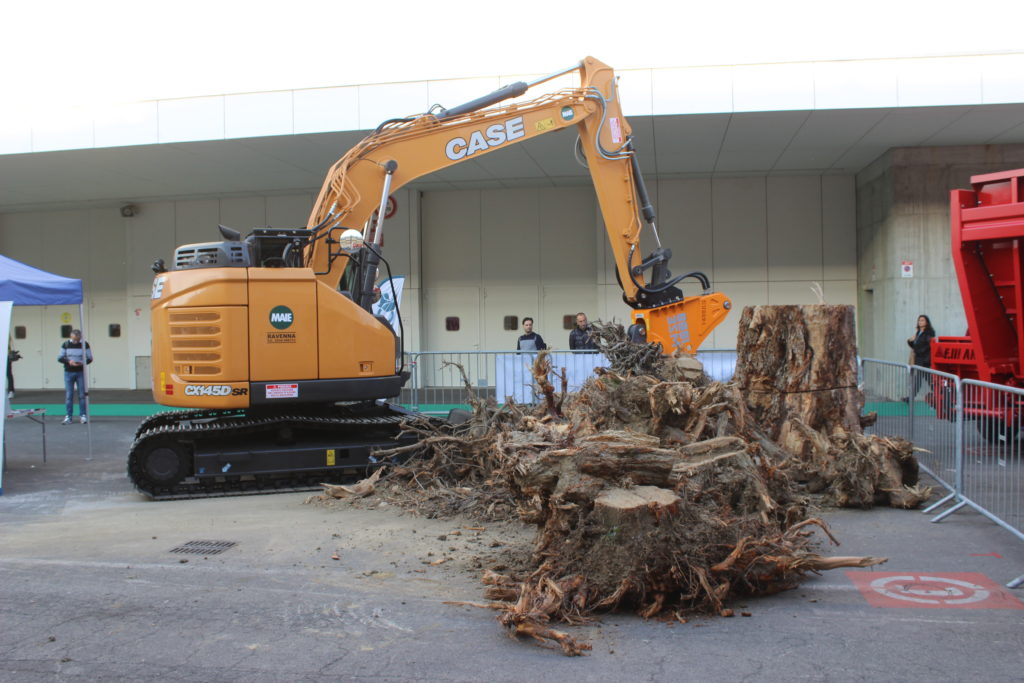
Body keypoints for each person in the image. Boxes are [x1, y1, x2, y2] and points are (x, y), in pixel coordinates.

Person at [58, 329, 92, 424]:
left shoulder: (85, 344)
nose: (76, 341)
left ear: (80, 337)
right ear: (70, 337)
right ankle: (68, 416)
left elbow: (90, 358)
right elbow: (60, 358)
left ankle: (83, 415)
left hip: (80, 372)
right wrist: (69, 362)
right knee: (69, 395)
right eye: (74, 339)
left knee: (82, 395)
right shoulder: (65, 344)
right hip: (68, 372)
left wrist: (81, 363)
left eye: (77, 339)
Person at [906, 314, 936, 400]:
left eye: (922, 320)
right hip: (919, 359)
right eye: (919, 320)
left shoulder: (929, 332)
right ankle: (939, 394)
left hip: (924, 360)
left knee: (922, 379)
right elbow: (915, 346)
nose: (920, 322)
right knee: (926, 379)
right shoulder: (918, 332)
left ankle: (911, 398)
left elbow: (929, 345)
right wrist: (909, 341)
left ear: (926, 322)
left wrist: (919, 351)